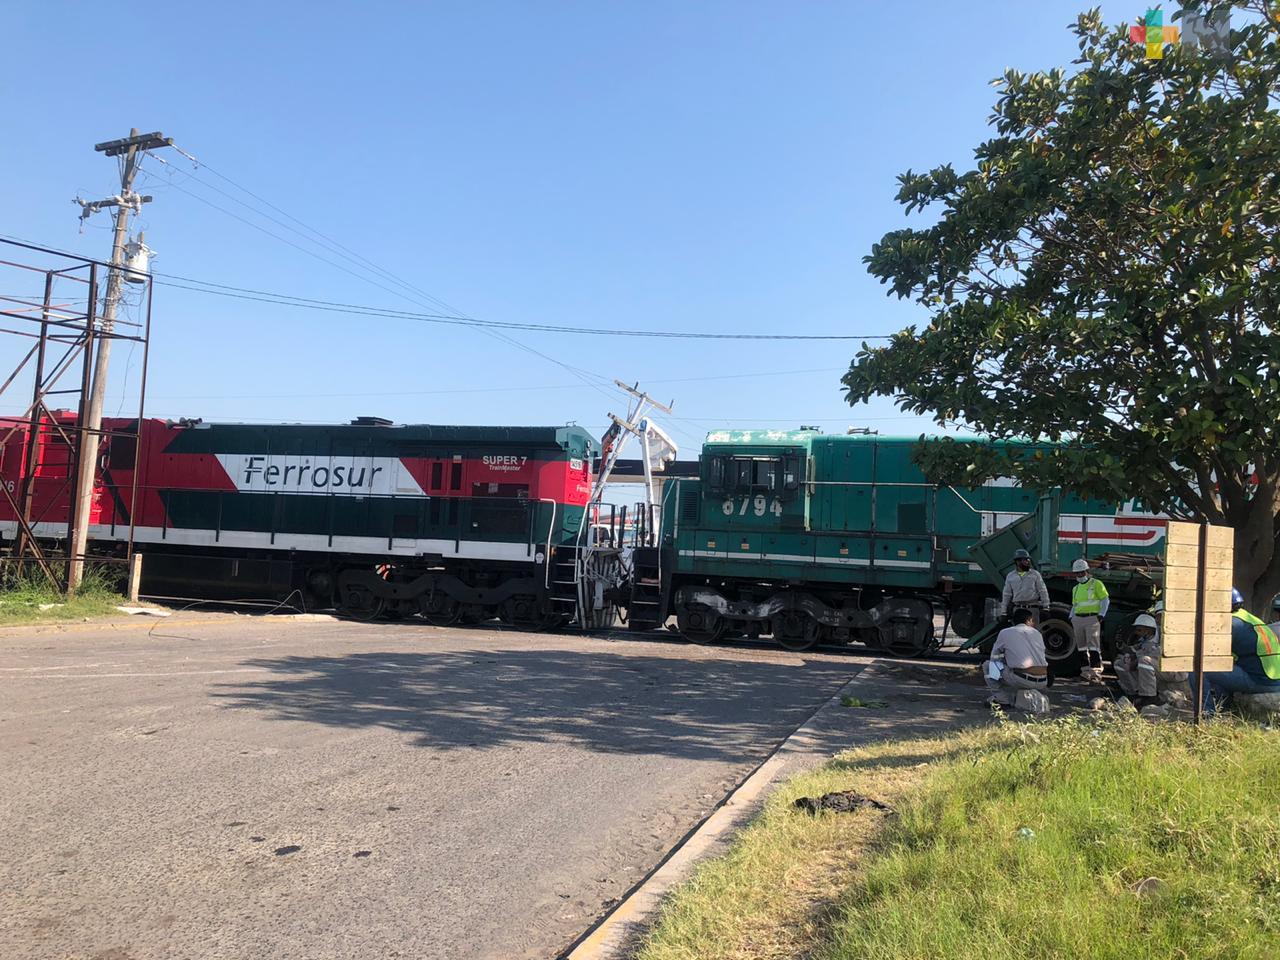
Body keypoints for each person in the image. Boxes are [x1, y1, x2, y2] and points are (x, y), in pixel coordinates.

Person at [1202, 588, 1280, 716]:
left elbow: (1212, 656)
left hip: (1261, 682)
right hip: (1274, 680)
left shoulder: (1230, 624)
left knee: (1199, 668)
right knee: (1222, 668)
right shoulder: (1247, 618)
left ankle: (1207, 714)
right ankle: (1224, 707)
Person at [1113, 612, 1187, 706]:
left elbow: (1155, 654)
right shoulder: (1146, 639)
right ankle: (1133, 693)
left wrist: (1135, 660)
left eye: (1139, 629)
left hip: (1175, 670)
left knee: (1144, 661)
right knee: (1119, 663)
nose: (1137, 632)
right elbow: (1135, 649)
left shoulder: (1166, 637)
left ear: (1147, 629)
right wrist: (1126, 653)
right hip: (1160, 667)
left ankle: (1149, 697)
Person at [983, 607, 1049, 707]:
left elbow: (994, 657)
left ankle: (1002, 699)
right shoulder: (1037, 633)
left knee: (988, 666)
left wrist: (1005, 661)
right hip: (1043, 680)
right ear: (1029, 620)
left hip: (1022, 679)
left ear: (1013, 622)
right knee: (1015, 668)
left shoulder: (1005, 632)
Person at [1070, 558, 1109, 683]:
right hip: (1078, 619)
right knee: (1081, 647)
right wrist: (1071, 618)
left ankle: (1096, 674)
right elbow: (1075, 605)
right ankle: (1085, 672)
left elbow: (1105, 600)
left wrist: (1101, 615)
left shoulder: (1096, 584)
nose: (1080, 575)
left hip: (1092, 617)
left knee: (1094, 647)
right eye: (1077, 573)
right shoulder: (1075, 588)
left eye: (1082, 572)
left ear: (1087, 571)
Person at [999, 549, 1051, 625]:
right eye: (1025, 560)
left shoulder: (1035, 574)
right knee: (1018, 633)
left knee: (1032, 633)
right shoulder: (1010, 576)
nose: (1028, 562)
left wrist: (1046, 607)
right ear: (1018, 561)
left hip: (1032, 609)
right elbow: (1006, 594)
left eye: (1028, 560)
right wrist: (1003, 612)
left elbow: (1042, 591)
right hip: (1017, 609)